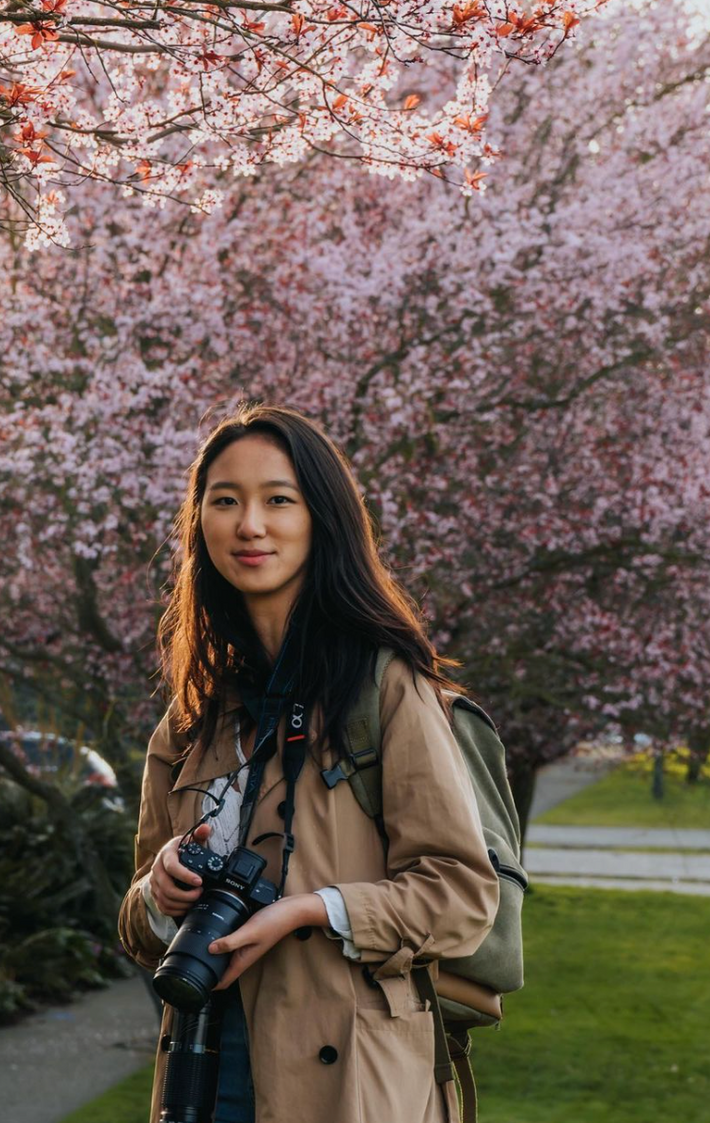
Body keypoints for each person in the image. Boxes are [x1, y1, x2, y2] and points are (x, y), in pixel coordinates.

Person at [118, 405, 500, 1123]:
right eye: (224, 501)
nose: (249, 524)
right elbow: (137, 927)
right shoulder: (195, 714)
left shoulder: (385, 688)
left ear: (321, 518)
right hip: (207, 1069)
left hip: (348, 1081)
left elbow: (461, 895)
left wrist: (311, 910)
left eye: (278, 500)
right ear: (200, 523)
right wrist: (159, 894)